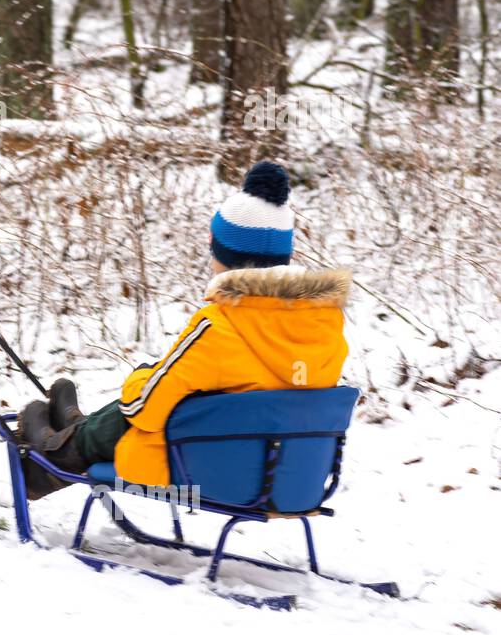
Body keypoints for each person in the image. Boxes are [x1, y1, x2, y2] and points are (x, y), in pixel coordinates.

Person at [17, 161, 351, 500]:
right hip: (285, 478)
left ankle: (54, 457)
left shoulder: (220, 325)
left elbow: (143, 409)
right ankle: (76, 428)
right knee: (182, 394)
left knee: (146, 395)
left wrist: (143, 376)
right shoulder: (326, 327)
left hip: (207, 466)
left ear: (224, 258)